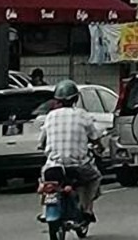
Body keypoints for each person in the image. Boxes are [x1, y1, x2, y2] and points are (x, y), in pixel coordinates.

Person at [37, 80, 102, 223]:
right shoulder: (82, 115)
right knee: (95, 177)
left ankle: (44, 211)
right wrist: (99, 147)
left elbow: (41, 141)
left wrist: (44, 147)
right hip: (78, 165)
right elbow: (95, 137)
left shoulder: (50, 116)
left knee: (46, 181)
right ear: (76, 99)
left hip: (53, 166)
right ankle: (87, 210)